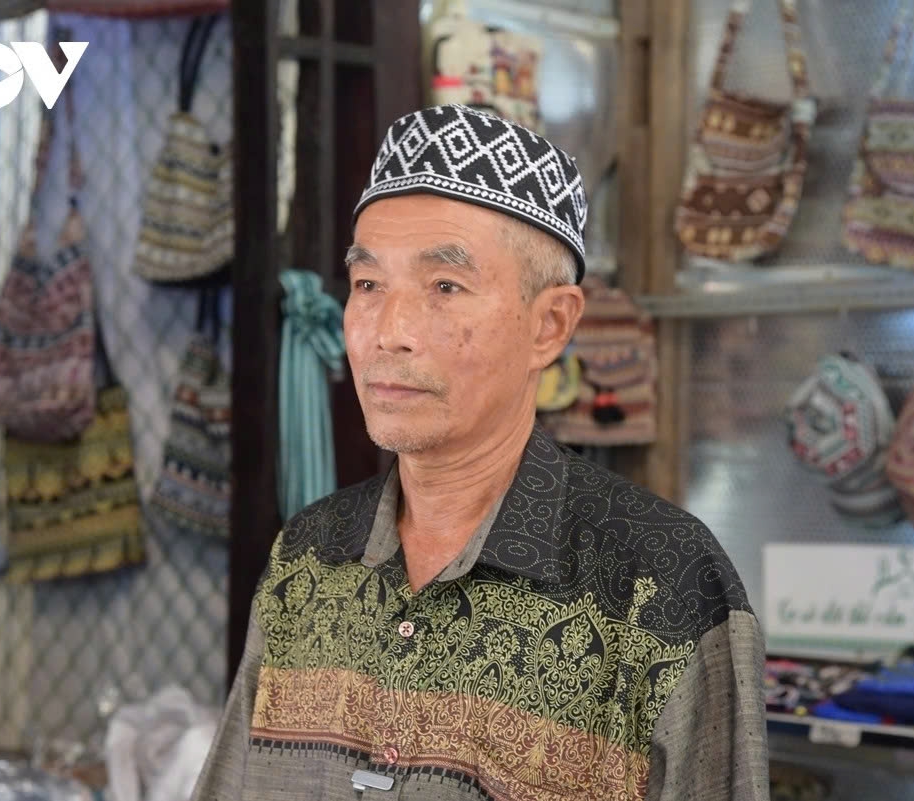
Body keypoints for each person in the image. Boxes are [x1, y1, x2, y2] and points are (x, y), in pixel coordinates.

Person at [191, 104, 768, 801]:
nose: (389, 332)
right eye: (369, 284)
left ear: (549, 324)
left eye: (445, 287)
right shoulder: (307, 560)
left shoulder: (664, 585)